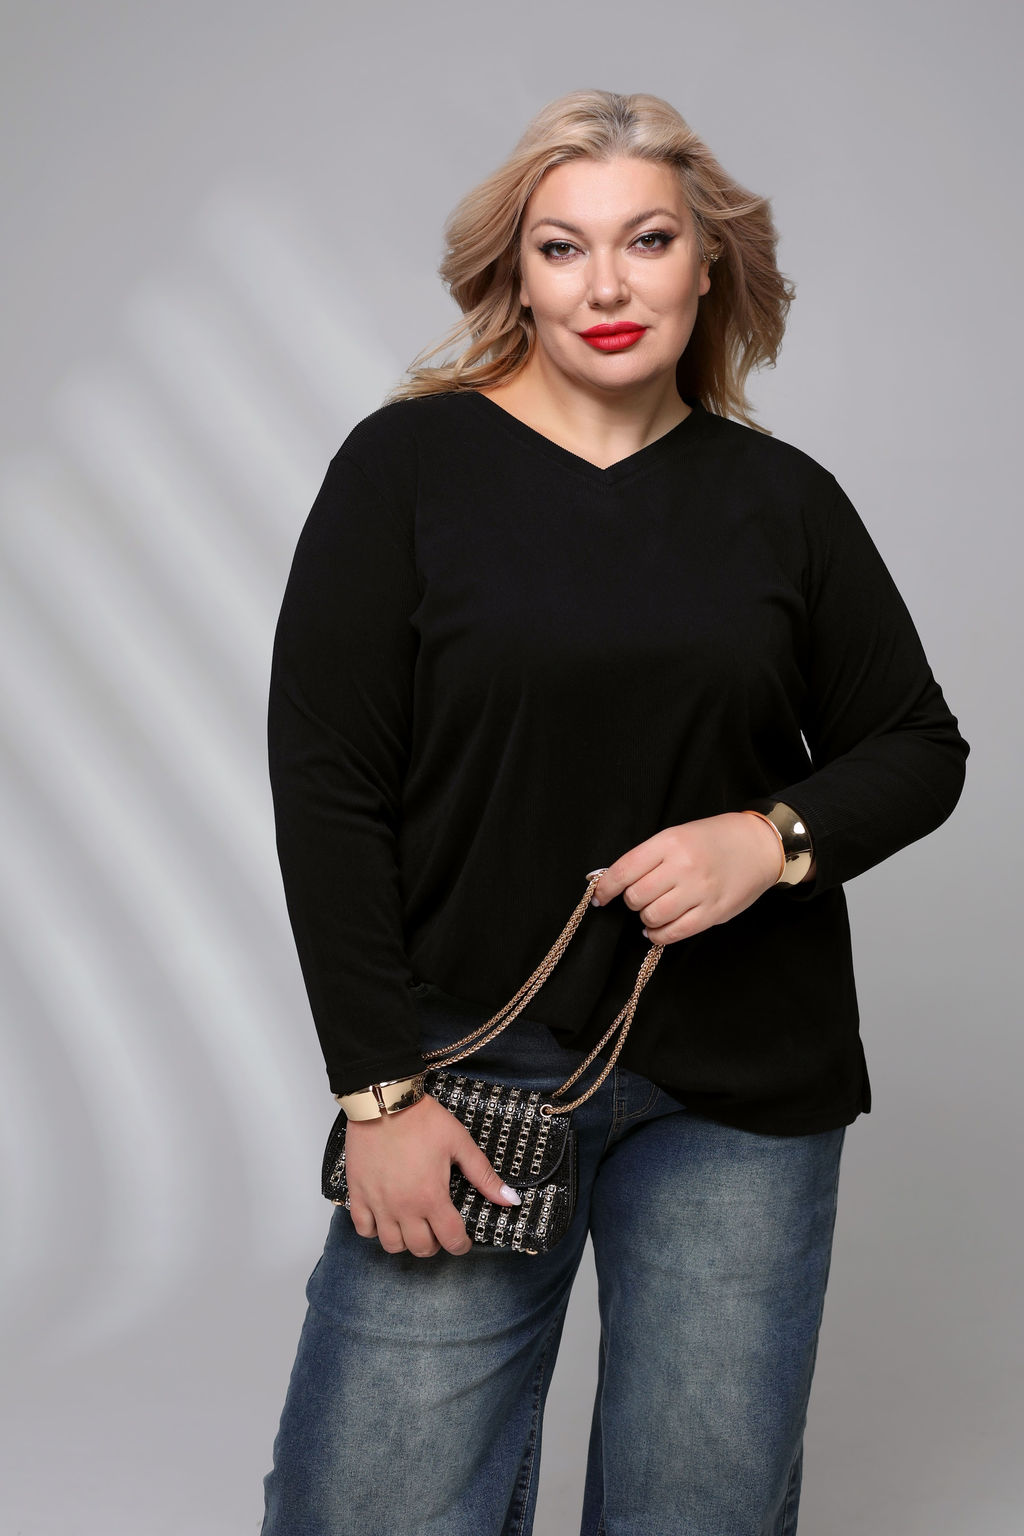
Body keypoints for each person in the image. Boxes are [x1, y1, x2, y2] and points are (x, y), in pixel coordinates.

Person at [260, 89, 969, 1536]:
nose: (606, 286)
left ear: (708, 265)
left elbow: (917, 745)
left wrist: (765, 841)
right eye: (563, 246)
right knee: (370, 1508)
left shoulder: (786, 502)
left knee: (696, 1514)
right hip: (467, 1069)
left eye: (647, 240)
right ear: (515, 276)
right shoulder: (405, 471)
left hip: (743, 1088)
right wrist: (379, 1089)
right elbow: (326, 782)